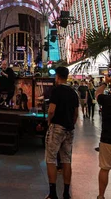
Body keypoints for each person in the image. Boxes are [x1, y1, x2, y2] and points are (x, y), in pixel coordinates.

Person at [44, 66, 79, 199]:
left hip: (57, 127)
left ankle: (53, 193)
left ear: (57, 76)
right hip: (69, 129)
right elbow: (76, 113)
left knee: (51, 159)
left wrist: (49, 121)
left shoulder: (56, 90)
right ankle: (66, 193)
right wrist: (71, 124)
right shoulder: (73, 92)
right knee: (66, 160)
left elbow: (52, 110)